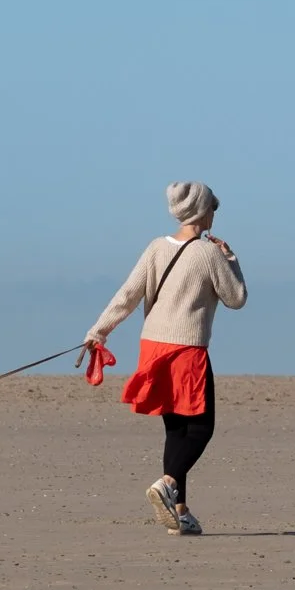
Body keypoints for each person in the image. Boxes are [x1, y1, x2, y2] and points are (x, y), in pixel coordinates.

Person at [85, 181, 248, 536]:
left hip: (153, 346)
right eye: (212, 208)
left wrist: (98, 330)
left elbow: (128, 294)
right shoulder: (209, 253)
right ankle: (167, 482)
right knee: (201, 428)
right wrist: (230, 260)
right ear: (201, 211)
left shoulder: (157, 247)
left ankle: (180, 511)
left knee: (176, 429)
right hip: (186, 348)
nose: (214, 214)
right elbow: (236, 298)